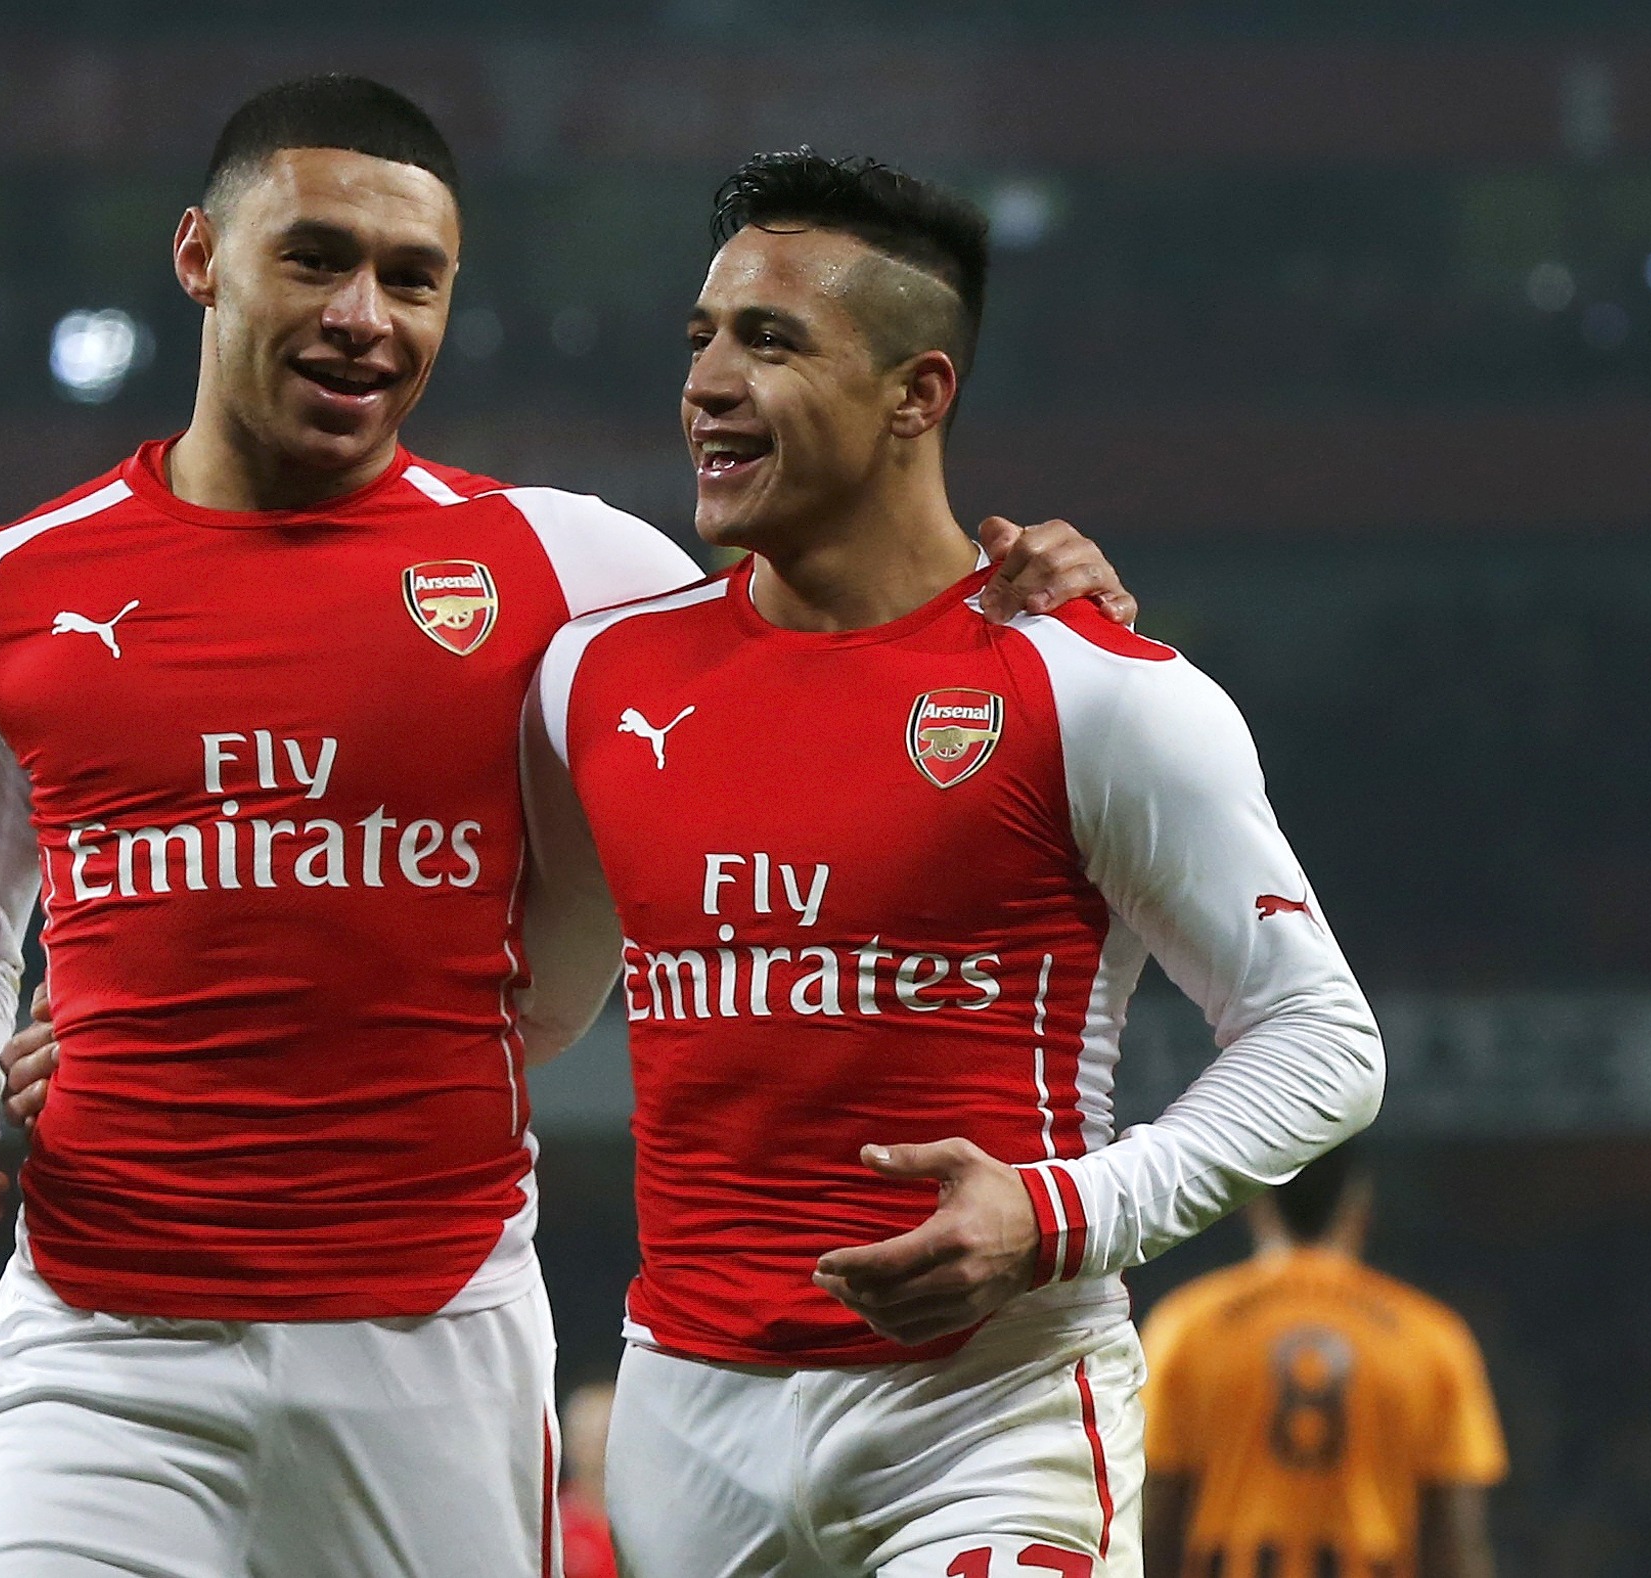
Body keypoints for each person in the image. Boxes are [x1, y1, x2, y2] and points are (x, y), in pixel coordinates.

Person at [0, 77, 1133, 1577]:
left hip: (433, 1355)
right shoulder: (2, 591)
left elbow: (843, 649)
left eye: (413, 279)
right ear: (201, 256)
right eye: (316, 258)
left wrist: (1031, 602)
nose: (364, 313)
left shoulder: (573, 571)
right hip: (102, 1345)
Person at [523, 150, 1386, 1576]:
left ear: (917, 394)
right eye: (701, 337)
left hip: (985, 1416)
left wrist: (1061, 1211)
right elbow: (513, 999)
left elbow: (1322, 1039)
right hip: (684, 1412)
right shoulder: (589, 674)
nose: (709, 381)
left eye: (772, 340)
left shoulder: (1097, 688)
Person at [1138, 1146, 1505, 1578]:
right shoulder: (1430, 1337)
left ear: (1255, 1203)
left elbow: (1154, 1517)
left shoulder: (1187, 1327)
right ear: (1361, 1211)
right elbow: (1453, 1537)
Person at [560, 1380, 621, 1578]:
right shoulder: (551, 1524)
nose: (595, 1451)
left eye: (604, 1436)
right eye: (584, 1437)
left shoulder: (654, 1524)